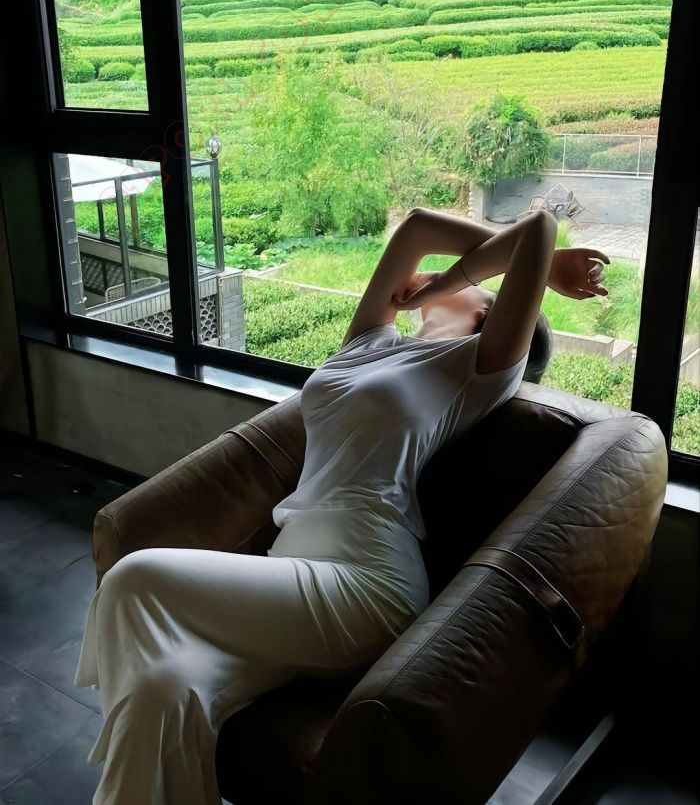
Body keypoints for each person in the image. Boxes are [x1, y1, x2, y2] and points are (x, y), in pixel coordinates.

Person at [73, 206, 609, 805]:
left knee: (133, 579)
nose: (457, 272)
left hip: (366, 583)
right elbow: (416, 229)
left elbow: (537, 230)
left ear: (487, 313)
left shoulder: (474, 373)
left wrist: (511, 270)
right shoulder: (371, 344)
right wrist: (492, 273)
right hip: (290, 567)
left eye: (478, 279)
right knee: (163, 689)